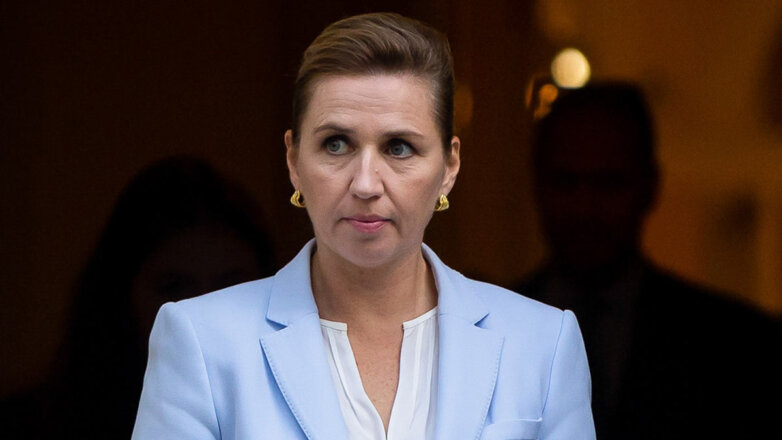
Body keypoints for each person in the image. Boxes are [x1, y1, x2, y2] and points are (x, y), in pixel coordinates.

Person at [132, 12, 595, 440]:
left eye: (399, 147)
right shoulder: (202, 341)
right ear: (293, 161)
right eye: (336, 144)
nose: (366, 183)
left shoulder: (542, 344)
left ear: (449, 167)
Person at [514, 82, 782, 439]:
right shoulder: (478, 336)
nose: (585, 208)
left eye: (609, 184)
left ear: (650, 186)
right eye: (565, 182)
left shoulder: (741, 348)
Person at [1, 156, 276, 439]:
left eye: (231, 287)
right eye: (173, 287)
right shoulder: (31, 425)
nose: (202, 308)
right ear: (121, 296)